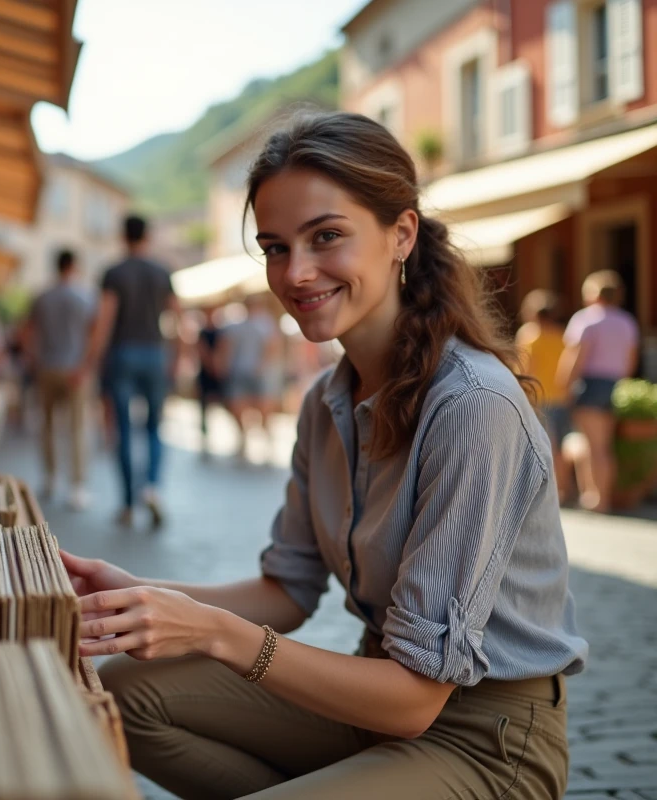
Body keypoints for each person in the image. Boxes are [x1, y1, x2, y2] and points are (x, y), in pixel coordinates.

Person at [62, 112, 586, 799]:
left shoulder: (471, 406)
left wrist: (218, 634)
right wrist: (139, 597)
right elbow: (285, 594)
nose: (296, 272)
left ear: (401, 234)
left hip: (488, 741)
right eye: (276, 247)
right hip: (369, 708)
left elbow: (412, 700)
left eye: (327, 237)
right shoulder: (324, 403)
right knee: (123, 694)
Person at [82, 215, 180, 528]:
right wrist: (178, 356)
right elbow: (178, 319)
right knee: (153, 428)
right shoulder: (162, 271)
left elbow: (105, 320)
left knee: (123, 430)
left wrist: (91, 360)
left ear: (122, 237)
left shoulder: (114, 272)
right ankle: (151, 486)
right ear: (147, 236)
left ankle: (126, 503)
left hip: (122, 354)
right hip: (154, 353)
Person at [558, 270, 639, 513]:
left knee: (592, 444)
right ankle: (598, 495)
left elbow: (576, 355)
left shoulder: (586, 319)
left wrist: (564, 384)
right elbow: (631, 359)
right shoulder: (627, 322)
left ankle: (596, 498)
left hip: (591, 384)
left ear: (593, 294)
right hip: (616, 385)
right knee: (604, 445)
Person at [22, 249, 97, 510]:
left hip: (47, 367)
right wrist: (86, 366)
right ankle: (76, 485)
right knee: (76, 428)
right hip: (76, 369)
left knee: (48, 425)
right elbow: (93, 334)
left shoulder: (42, 296)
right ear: (74, 267)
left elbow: (27, 332)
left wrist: (33, 361)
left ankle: (50, 476)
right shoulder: (86, 297)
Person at [516, 290, 573, 504]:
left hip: (538, 397)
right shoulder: (562, 335)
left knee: (545, 445)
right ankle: (565, 489)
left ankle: (551, 492)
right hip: (561, 396)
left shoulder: (529, 336)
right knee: (562, 444)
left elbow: (525, 368)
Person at [219, 292, 281, 463]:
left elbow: (272, 346)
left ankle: (268, 442)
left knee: (264, 408)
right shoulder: (237, 323)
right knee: (236, 404)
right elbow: (228, 345)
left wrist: (262, 365)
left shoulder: (266, 323)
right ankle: (243, 439)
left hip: (260, 373)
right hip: (240, 370)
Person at [196, 304, 225, 456]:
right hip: (208, 372)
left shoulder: (220, 331)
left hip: (217, 372)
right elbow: (202, 351)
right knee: (204, 407)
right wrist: (212, 364)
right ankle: (205, 436)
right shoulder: (203, 332)